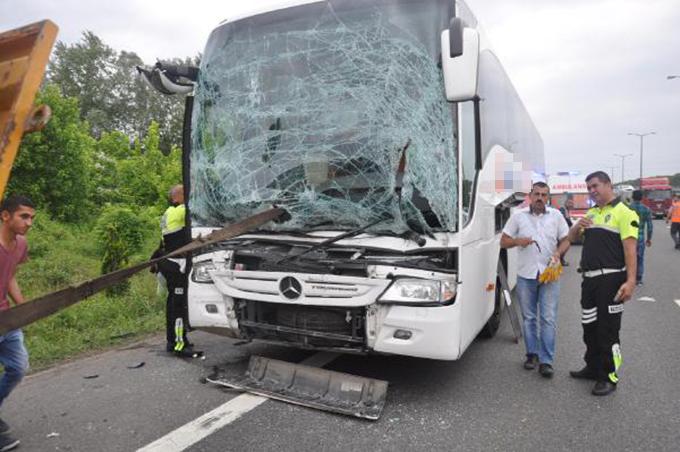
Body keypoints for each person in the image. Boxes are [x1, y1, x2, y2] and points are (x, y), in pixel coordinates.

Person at [567, 171, 637, 396]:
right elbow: (571, 238)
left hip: (611, 280)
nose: (592, 191)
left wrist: (631, 281)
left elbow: (630, 250)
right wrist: (578, 225)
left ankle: (609, 376)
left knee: (608, 331)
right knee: (589, 328)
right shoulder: (592, 212)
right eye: (589, 188)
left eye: (595, 186)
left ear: (609, 185)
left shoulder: (624, 212)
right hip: (589, 281)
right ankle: (593, 367)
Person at [501, 182, 570, 378]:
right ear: (530, 196)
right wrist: (517, 241)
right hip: (526, 275)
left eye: (544, 195)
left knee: (548, 319)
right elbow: (503, 241)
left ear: (548, 198)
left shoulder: (556, 216)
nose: (540, 198)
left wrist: (558, 253)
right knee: (529, 318)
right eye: (537, 194)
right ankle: (531, 354)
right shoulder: (518, 217)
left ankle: (546, 361)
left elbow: (566, 239)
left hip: (550, 274)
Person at [0, 195, 35, 451]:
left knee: (18, 367)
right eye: (24, 216)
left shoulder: (21, 244)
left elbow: (9, 275)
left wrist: (24, 308)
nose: (29, 222)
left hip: (8, 318)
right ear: (5, 216)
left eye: (32, 217)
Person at [153, 185, 199, 357]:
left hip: (168, 263)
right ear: (175, 199)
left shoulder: (168, 213)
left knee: (172, 303)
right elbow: (197, 207)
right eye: (184, 193)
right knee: (178, 306)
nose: (188, 196)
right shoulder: (179, 211)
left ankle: (172, 341)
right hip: (175, 265)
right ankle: (179, 344)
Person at [629, 190, 652, 285]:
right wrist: (649, 239)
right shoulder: (646, 209)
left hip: (629, 236)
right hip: (640, 237)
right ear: (642, 198)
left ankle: (629, 277)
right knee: (640, 258)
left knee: (628, 257)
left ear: (632, 197)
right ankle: (639, 279)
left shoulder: (628, 208)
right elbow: (650, 226)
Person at [558, 197, 574, 266]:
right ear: (566, 203)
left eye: (572, 203)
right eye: (569, 203)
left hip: (564, 232)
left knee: (564, 246)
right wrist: (571, 223)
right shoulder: (562, 209)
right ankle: (559, 260)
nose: (571, 205)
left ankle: (560, 260)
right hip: (560, 233)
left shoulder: (567, 210)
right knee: (563, 246)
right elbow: (564, 220)